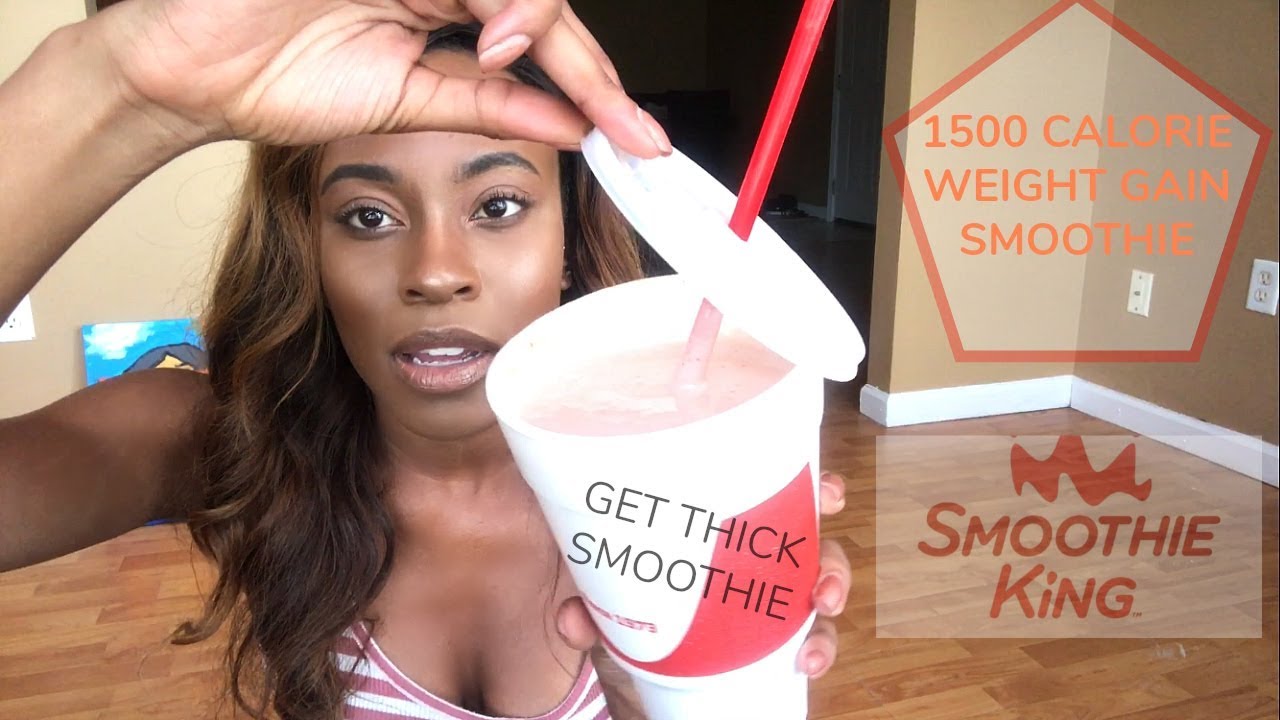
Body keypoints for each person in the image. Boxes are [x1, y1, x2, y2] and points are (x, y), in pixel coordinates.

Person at [0, 2, 853, 719]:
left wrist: (675, 697)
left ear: (565, 242)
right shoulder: (220, 440)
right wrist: (127, 86)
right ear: (312, 252)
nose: (436, 273)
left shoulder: (680, 507)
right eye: (369, 216)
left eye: (498, 205)